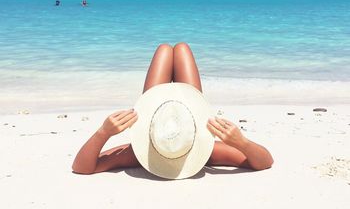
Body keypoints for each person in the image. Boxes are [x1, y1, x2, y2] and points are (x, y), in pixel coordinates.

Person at [72, 43, 273, 175]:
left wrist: (103, 133)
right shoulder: (211, 153)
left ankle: (168, 53)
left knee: (164, 50)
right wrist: (242, 143)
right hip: (181, 113)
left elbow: (81, 167)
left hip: (160, 116)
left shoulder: (134, 154)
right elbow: (265, 161)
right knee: (182, 49)